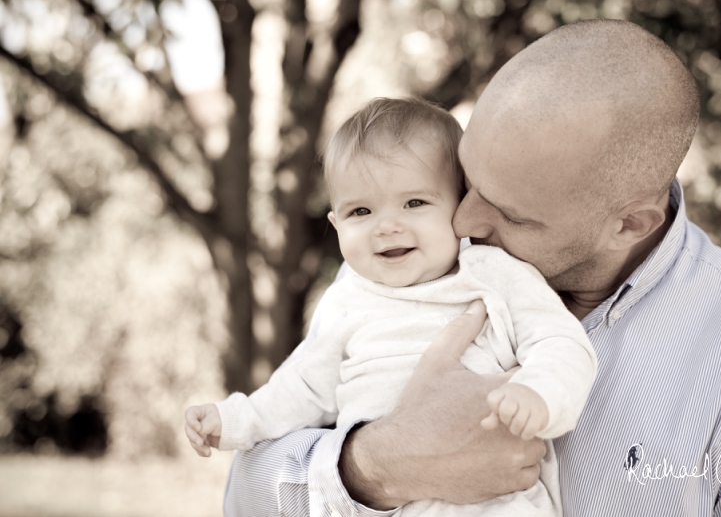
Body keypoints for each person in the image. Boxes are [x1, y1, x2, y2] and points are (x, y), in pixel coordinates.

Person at [223, 20, 721, 516]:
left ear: (629, 223)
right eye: (468, 180)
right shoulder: (417, 259)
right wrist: (374, 468)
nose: (465, 222)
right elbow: (245, 494)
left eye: (511, 213)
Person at [185, 98, 598, 516]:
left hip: (499, 503)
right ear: (336, 224)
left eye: (415, 203)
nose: (387, 226)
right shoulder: (347, 299)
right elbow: (301, 387)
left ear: (461, 203)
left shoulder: (494, 275)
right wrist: (235, 419)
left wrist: (540, 394)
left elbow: (560, 341)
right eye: (360, 211)